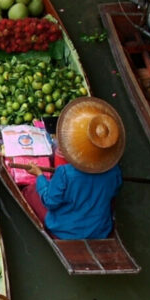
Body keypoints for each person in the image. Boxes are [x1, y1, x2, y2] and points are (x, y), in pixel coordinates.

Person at [24, 97, 125, 239]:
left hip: (65, 231)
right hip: (100, 229)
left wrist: (39, 175)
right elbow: (114, 191)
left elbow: (50, 202)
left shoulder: (65, 173)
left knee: (30, 191)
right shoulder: (114, 172)